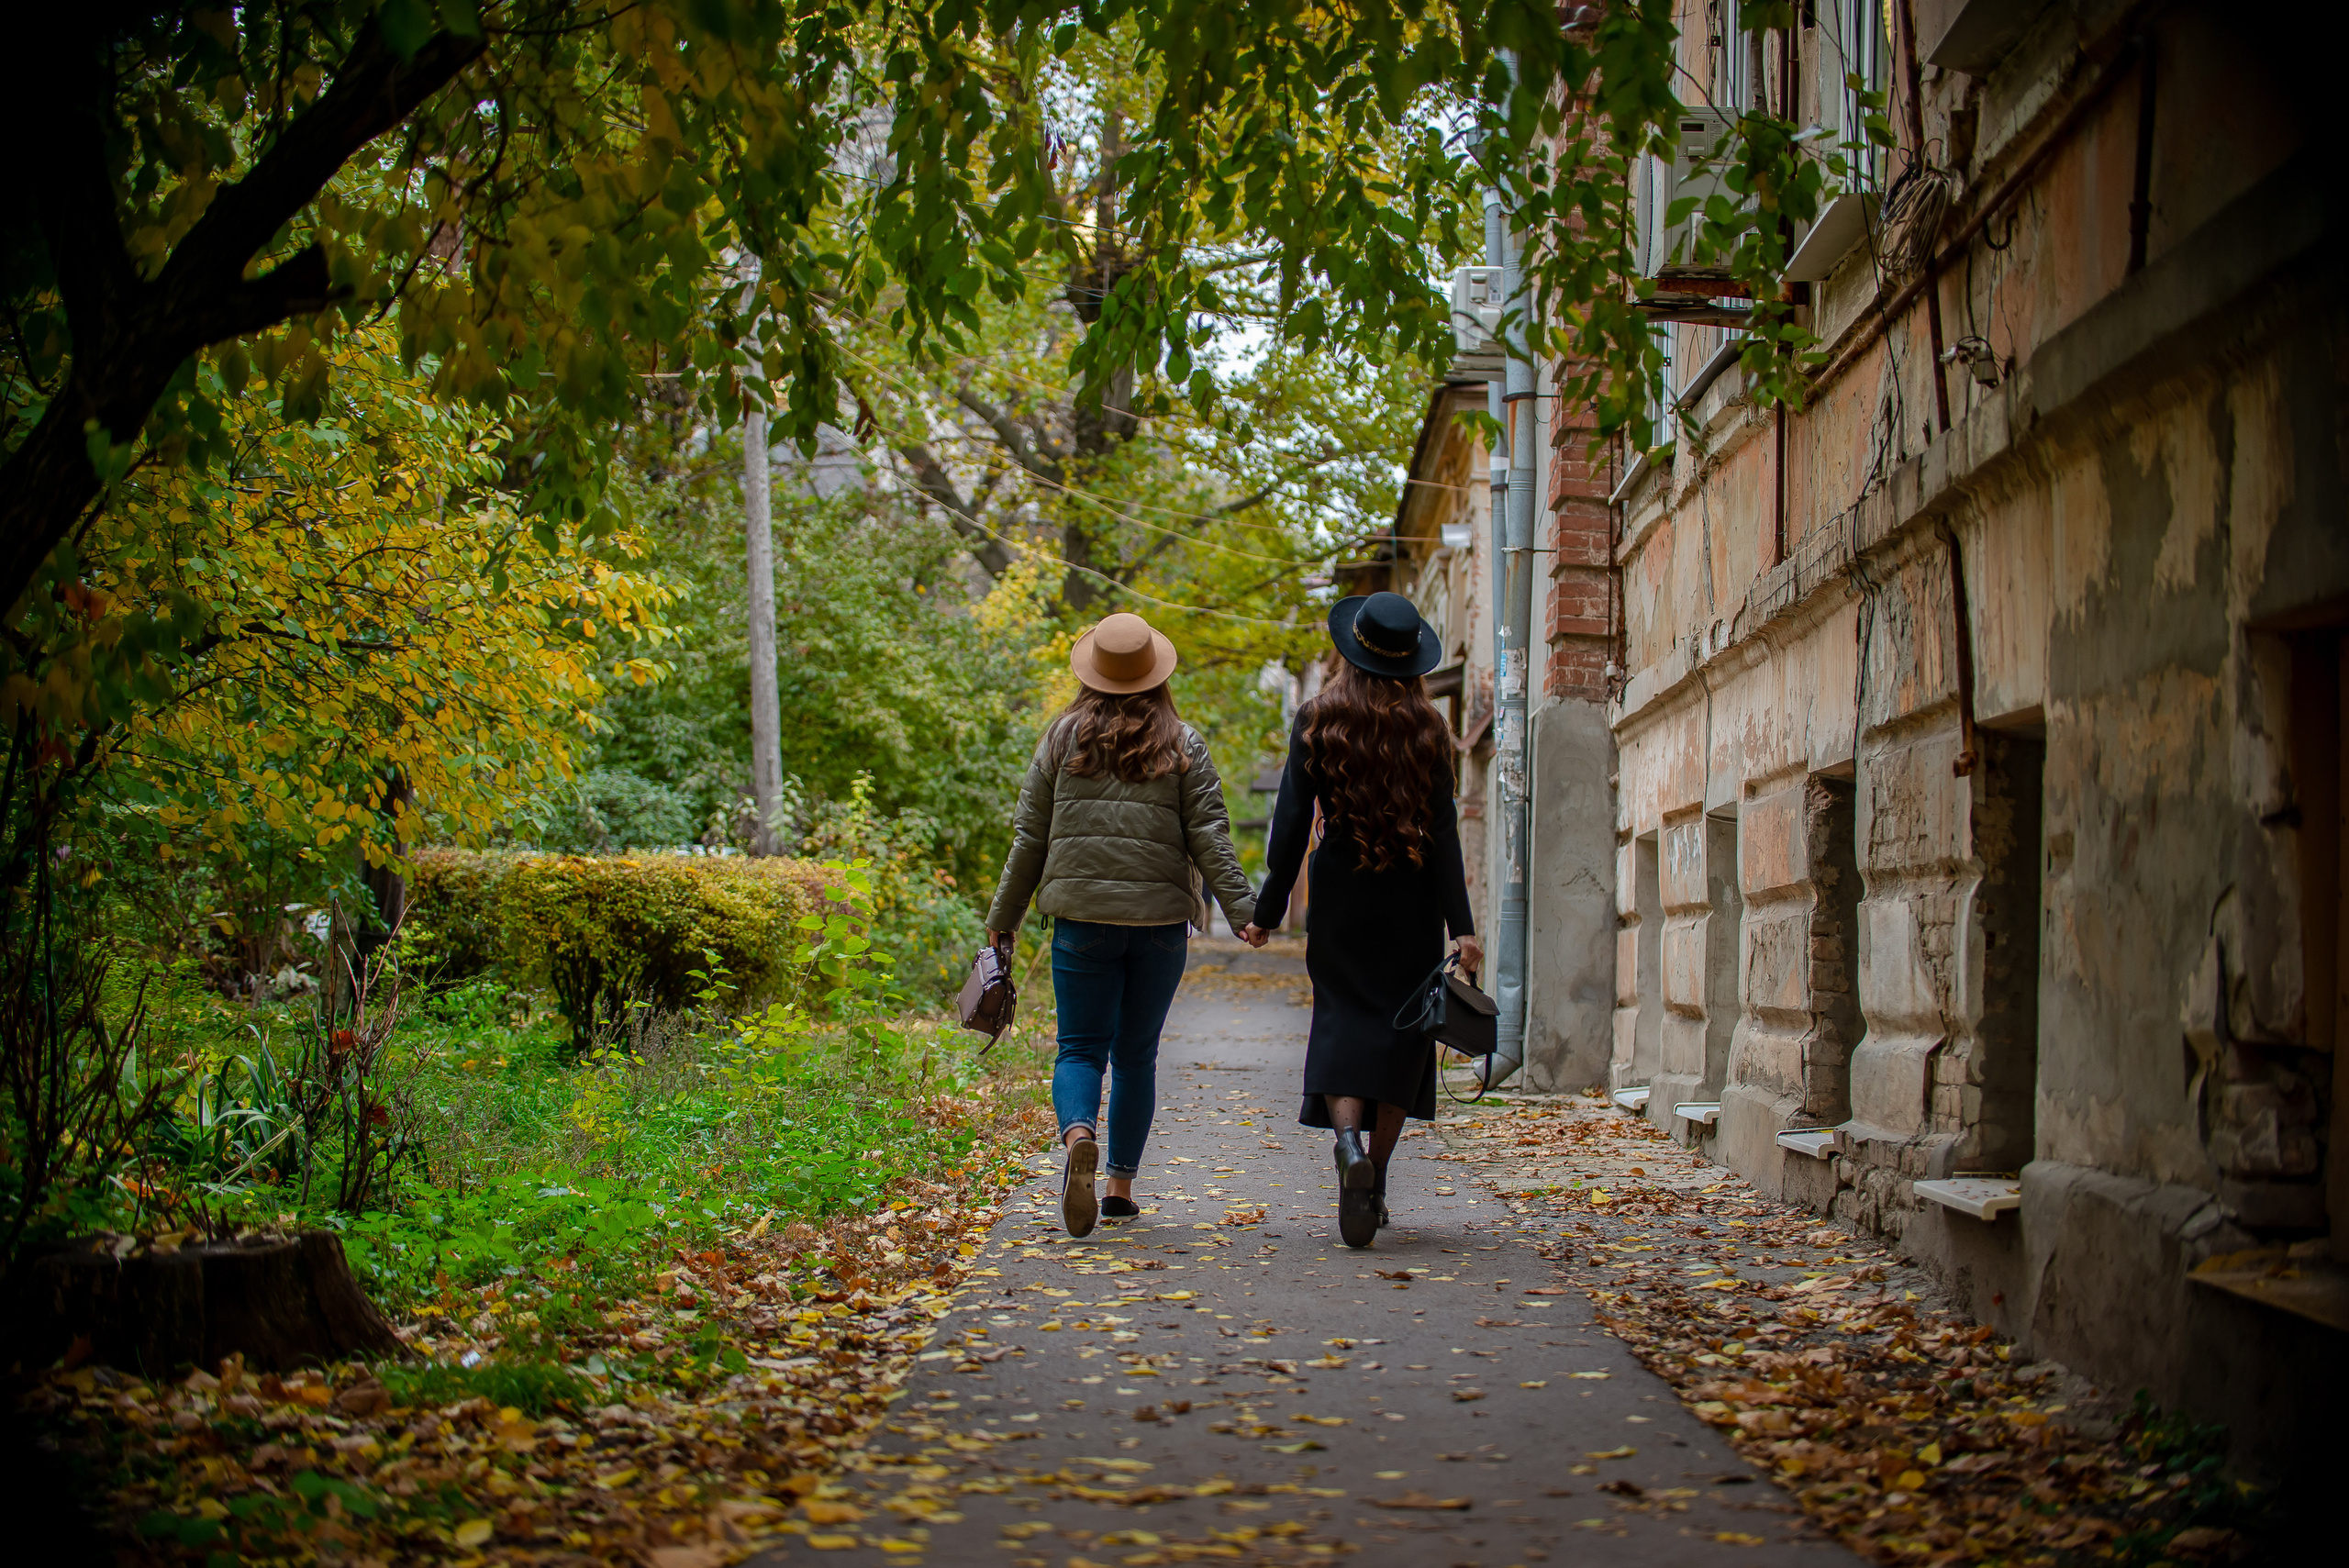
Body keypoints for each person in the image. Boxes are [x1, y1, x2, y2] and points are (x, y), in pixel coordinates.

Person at [985, 611, 1257, 1238]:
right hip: (1160, 926)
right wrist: (1243, 912)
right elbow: (1210, 834)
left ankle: (1079, 1134)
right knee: (1136, 1056)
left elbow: (1030, 837)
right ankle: (1118, 1189)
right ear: (1156, 675)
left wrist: (1005, 917)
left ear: (1093, 674)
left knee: (1080, 1048)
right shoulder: (1183, 743)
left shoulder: (1062, 739)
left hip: (1081, 922)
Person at [1244, 591, 1482, 1249]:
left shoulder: (1318, 718)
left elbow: (1290, 825)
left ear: (1352, 653)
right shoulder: (1429, 728)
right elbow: (1444, 834)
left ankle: (1347, 1145)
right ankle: (1374, 1176)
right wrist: (1462, 927)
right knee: (1404, 1037)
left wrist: (1267, 911)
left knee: (1341, 1019)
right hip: (1412, 898)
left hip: (1341, 893)